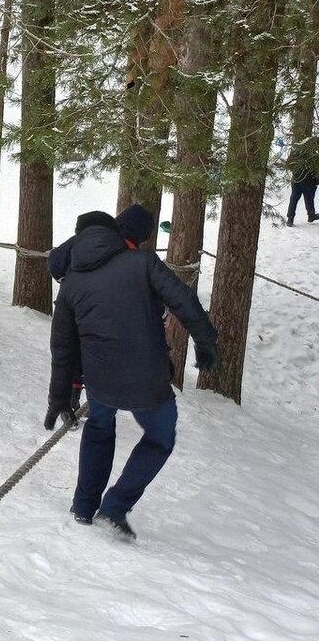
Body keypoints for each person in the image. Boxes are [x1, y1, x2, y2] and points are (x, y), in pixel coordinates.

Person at [46, 210, 219, 540]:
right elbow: (182, 298)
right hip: (147, 380)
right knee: (159, 437)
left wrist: (62, 394)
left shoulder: (71, 283)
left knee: (98, 428)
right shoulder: (142, 262)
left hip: (99, 381)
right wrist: (205, 340)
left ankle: (83, 506)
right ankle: (114, 507)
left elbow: (63, 348)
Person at [48, 203, 157, 282]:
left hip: (76, 301)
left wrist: (68, 280)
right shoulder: (130, 251)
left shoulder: (93, 234)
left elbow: (56, 260)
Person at [286, 139, 318, 226]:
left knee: (294, 199)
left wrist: (296, 173)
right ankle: (311, 215)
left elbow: (288, 164)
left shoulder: (296, 152)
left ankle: (290, 218)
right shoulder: (314, 155)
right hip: (309, 181)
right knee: (308, 198)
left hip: (297, 179)